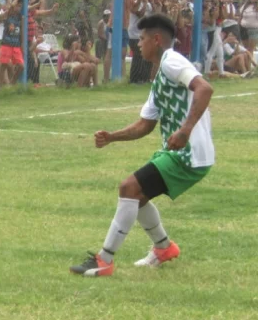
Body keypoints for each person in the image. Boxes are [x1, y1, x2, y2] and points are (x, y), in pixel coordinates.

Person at [70, 14, 214, 277]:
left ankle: (104, 260)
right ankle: (164, 248)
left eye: (143, 38)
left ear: (156, 40)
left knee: (129, 187)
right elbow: (145, 124)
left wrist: (185, 130)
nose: (138, 44)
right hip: (181, 152)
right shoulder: (160, 75)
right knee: (137, 196)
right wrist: (113, 136)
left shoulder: (172, 61)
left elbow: (204, 88)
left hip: (189, 154)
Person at [0, 0, 24, 86]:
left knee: (21, 66)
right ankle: (0, 85)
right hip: (7, 44)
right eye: (17, 5)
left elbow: (21, 32)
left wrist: (21, 45)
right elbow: (11, 7)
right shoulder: (8, 14)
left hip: (16, 45)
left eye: (20, 6)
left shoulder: (20, 17)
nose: (18, 8)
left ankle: (12, 83)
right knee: (3, 65)